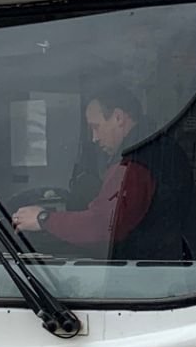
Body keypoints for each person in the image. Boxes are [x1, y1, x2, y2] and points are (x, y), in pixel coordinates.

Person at [11, 89, 154, 250]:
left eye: (96, 127)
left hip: (142, 271)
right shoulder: (154, 150)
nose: (94, 138)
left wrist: (43, 218)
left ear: (118, 117)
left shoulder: (134, 165)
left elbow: (101, 226)